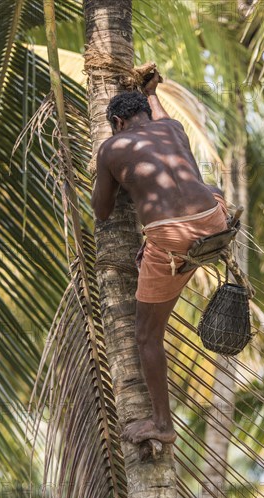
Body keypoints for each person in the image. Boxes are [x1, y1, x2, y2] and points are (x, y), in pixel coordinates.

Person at [91, 70, 228, 445]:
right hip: (211, 221)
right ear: (148, 114)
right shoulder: (174, 129)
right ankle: (214, 229)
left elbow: (102, 212)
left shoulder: (111, 148)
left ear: (117, 123)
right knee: (210, 187)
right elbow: (159, 112)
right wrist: (150, 92)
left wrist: (107, 172)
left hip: (174, 239)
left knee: (146, 336)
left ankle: (163, 426)